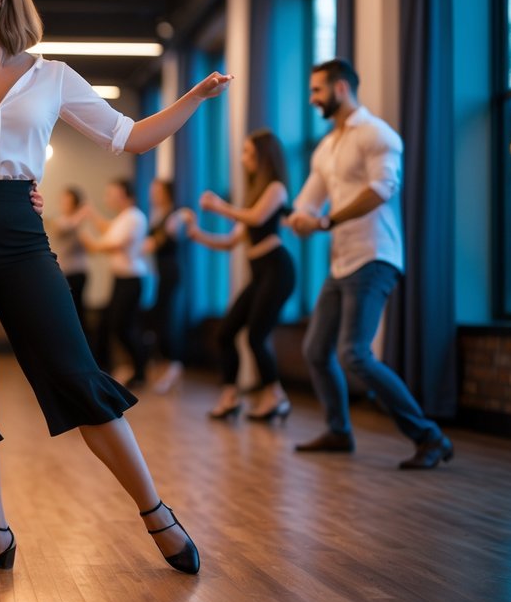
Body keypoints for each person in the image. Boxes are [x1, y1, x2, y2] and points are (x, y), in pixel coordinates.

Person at [0, 0, 231, 577]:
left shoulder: (53, 76)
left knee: (75, 373)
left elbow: (131, 137)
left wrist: (196, 97)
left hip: (19, 228)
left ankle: (157, 513)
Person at [287, 59, 452, 470]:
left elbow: (382, 189)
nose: (312, 99)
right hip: (342, 261)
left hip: (375, 256)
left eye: (317, 91)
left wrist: (323, 220)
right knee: (316, 349)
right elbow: (310, 196)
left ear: (340, 88)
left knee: (354, 354)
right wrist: (300, 215)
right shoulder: (328, 146)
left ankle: (430, 437)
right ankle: (340, 431)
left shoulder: (378, 134)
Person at [182, 130, 296, 421]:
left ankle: (276, 397)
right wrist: (198, 235)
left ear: (263, 155)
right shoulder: (254, 194)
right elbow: (230, 243)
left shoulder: (276, 189)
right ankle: (230, 396)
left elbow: (257, 218)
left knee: (256, 336)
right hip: (260, 275)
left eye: (247, 152)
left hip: (278, 270)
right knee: (226, 333)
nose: (243, 159)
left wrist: (220, 206)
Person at [81, 178, 149, 388]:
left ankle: (139, 370)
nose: (108, 197)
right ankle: (108, 370)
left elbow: (114, 243)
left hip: (131, 279)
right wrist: (92, 216)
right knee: (110, 325)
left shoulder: (134, 217)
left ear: (124, 195)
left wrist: (89, 242)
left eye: (112, 193)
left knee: (122, 327)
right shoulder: (124, 217)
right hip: (121, 279)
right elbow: (109, 230)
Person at [141, 179, 186, 394]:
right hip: (158, 272)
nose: (152, 194)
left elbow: (158, 241)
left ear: (167, 193)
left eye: (156, 190)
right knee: (156, 317)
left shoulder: (175, 215)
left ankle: (174, 364)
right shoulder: (158, 214)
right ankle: (162, 364)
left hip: (170, 271)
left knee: (166, 317)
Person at [46, 186, 90, 339]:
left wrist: (83, 214)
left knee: (77, 313)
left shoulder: (79, 223)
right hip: (65, 272)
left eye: (67, 200)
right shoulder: (65, 221)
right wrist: (83, 213)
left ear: (74, 203)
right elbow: (63, 227)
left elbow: (90, 243)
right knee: (67, 313)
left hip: (77, 272)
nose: (63, 202)